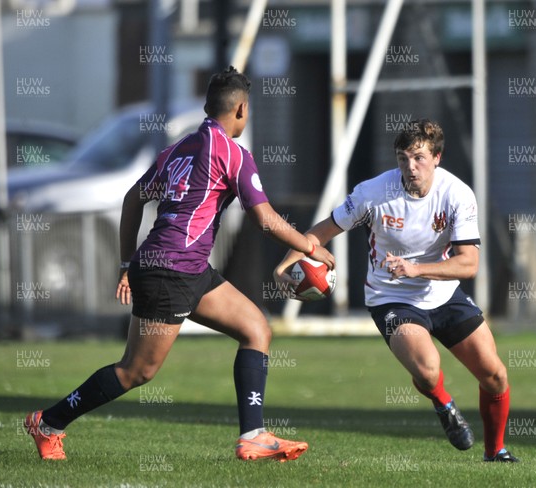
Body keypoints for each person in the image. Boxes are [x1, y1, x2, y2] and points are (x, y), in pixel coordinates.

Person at [25, 66, 335, 462]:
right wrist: (309, 245)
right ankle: (48, 423)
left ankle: (254, 434)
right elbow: (266, 219)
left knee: (256, 328)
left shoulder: (177, 150)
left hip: (183, 269)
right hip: (172, 271)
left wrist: (126, 264)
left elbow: (133, 199)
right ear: (241, 109)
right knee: (135, 372)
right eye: (248, 109)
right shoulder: (233, 154)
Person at [274, 119, 519, 462]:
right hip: (391, 297)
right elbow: (319, 233)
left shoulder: (457, 194)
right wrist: (284, 265)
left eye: (419, 158)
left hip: (444, 293)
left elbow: (469, 264)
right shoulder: (372, 193)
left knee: (494, 374)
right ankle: (443, 403)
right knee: (427, 368)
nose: (410, 167)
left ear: (437, 157)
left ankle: (496, 452)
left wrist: (417, 269)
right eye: (403, 158)